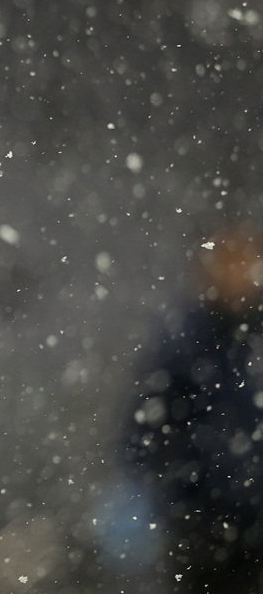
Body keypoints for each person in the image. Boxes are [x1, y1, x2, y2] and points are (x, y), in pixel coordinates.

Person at [125, 222, 263, 593]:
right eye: (225, 262)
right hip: (199, 524)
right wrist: (159, 492)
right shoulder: (182, 344)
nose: (236, 273)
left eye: (243, 261)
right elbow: (142, 429)